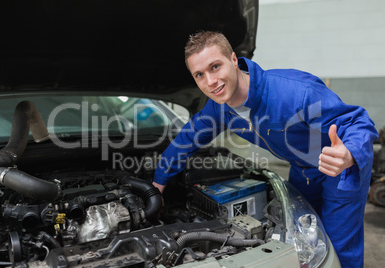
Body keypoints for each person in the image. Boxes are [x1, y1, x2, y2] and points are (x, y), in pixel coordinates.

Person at [152, 31, 378, 267]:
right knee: (305, 236)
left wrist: (350, 152)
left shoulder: (293, 92)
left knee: (340, 244)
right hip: (303, 168)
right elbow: (186, 139)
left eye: (215, 67)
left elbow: (357, 121)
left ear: (233, 59)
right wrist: (158, 183)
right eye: (200, 74)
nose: (210, 81)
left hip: (341, 168)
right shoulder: (219, 109)